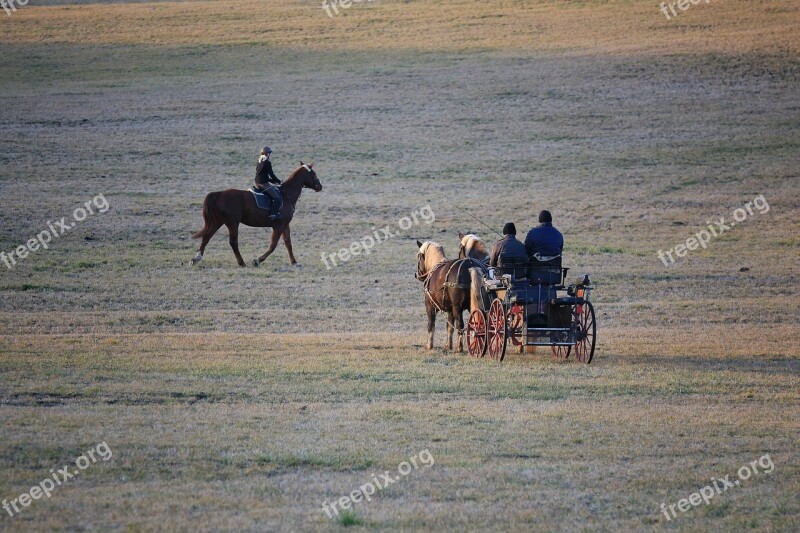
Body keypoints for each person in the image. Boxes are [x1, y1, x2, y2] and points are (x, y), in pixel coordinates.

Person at [525, 210, 564, 285]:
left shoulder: (533, 233)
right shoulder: (559, 235)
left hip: (535, 272)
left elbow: (526, 251)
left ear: (539, 220)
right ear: (551, 220)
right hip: (554, 273)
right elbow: (560, 251)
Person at [254, 146, 283, 219]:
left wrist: (272, 181)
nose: (270, 155)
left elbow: (262, 174)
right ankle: (273, 214)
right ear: (266, 154)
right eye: (269, 153)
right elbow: (271, 174)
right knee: (277, 197)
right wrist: (278, 181)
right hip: (263, 183)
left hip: (258, 182)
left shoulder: (259, 161)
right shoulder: (267, 162)